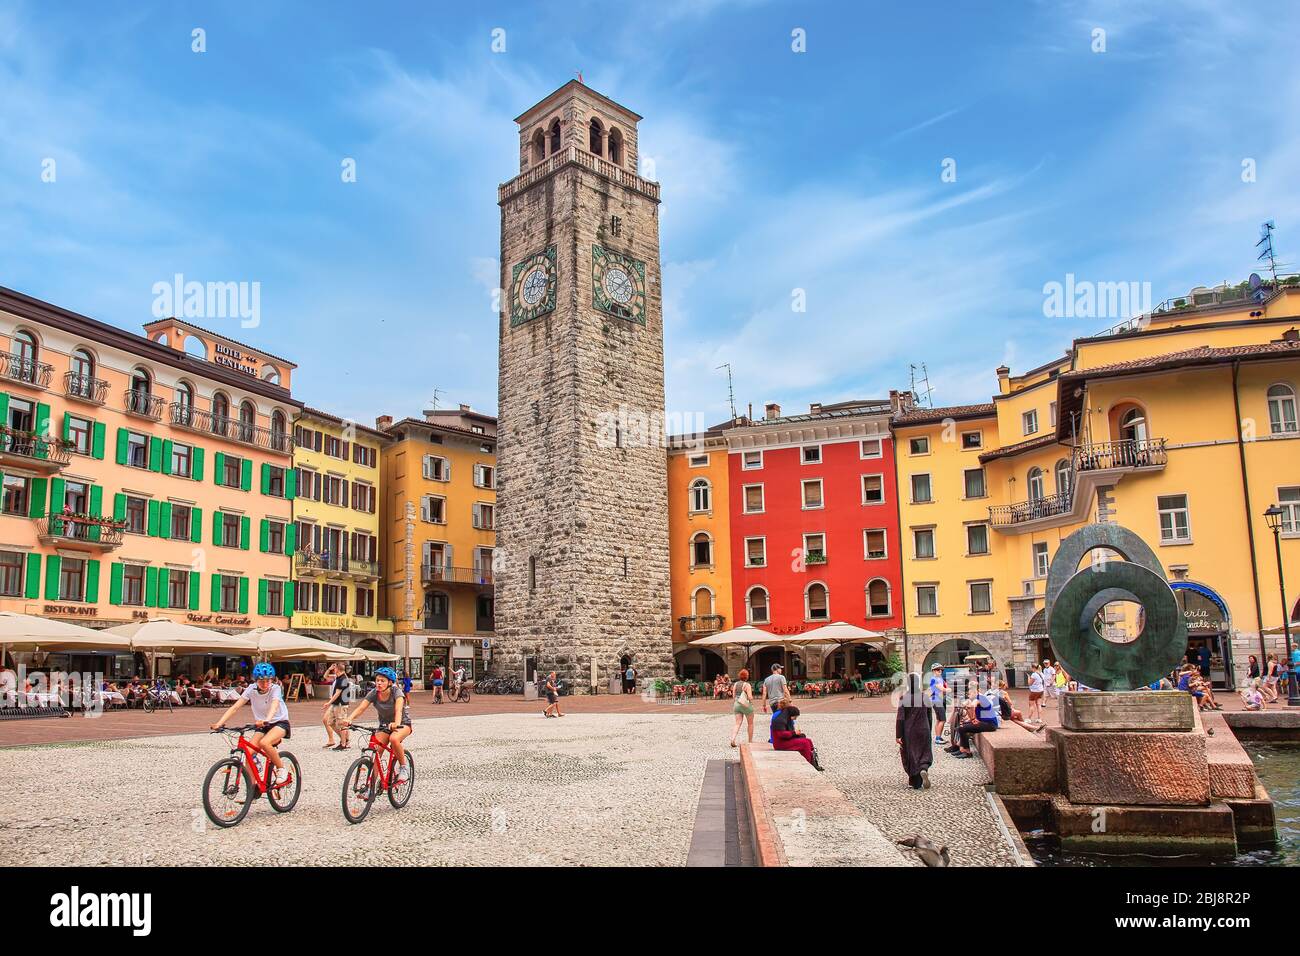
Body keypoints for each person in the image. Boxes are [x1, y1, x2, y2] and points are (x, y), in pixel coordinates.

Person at [210, 662, 292, 787]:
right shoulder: (251, 689)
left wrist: (267, 719)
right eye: (261, 681)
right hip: (262, 725)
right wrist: (219, 723)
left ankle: (281, 769)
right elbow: (235, 707)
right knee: (249, 754)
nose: (265, 684)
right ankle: (252, 789)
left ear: (272, 680)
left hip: (279, 722)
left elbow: (275, 705)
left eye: (267, 681)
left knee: (265, 743)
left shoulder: (275, 689)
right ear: (255, 681)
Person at [341, 667, 412, 783]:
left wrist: (396, 723)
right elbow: (361, 708)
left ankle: (404, 767)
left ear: (390, 682)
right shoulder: (374, 693)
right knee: (376, 752)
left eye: (382, 681)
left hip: (402, 724)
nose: (379, 683)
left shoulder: (396, 692)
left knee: (394, 739)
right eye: (377, 680)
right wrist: (349, 719)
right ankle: (371, 786)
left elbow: (398, 710)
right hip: (384, 725)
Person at [896, 673, 933, 789]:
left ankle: (915, 782)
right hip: (924, 728)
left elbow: (900, 718)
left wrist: (898, 735)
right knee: (924, 752)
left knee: (911, 754)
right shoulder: (925, 697)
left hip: (910, 731)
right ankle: (923, 768)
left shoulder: (904, 698)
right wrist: (929, 729)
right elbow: (930, 716)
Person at [948, 682, 1000, 758]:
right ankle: (961, 748)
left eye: (971, 693)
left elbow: (972, 706)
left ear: (976, 692)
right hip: (984, 722)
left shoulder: (980, 698)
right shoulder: (974, 699)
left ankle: (967, 752)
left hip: (990, 724)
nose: (970, 694)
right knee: (962, 726)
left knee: (962, 728)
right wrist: (966, 709)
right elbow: (967, 707)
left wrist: (972, 719)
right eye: (969, 693)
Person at [771, 704, 823, 771]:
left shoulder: (784, 718)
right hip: (780, 744)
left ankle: (813, 761)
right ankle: (809, 763)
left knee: (808, 740)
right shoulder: (779, 721)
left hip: (785, 741)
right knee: (804, 743)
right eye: (795, 717)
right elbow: (782, 734)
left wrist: (798, 734)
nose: (795, 718)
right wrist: (794, 733)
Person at [322, 664, 353, 751]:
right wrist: (329, 669)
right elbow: (325, 677)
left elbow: (337, 693)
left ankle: (343, 744)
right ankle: (345, 740)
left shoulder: (343, 679)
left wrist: (328, 703)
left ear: (337, 669)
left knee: (341, 724)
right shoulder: (338, 677)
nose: (333, 670)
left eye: (334, 668)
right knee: (330, 722)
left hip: (340, 704)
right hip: (335, 703)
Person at [729, 669, 755, 747]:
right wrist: (751, 700)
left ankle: (733, 738)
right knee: (750, 723)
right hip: (745, 705)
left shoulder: (735, 684)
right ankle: (750, 741)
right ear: (747, 677)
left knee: (737, 723)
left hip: (737, 704)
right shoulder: (747, 685)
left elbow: (733, 696)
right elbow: (750, 697)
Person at [927, 663, 948, 744]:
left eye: (941, 669)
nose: (940, 671)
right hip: (937, 701)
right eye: (937, 669)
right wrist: (949, 689)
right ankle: (938, 739)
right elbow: (942, 689)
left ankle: (938, 736)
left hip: (941, 700)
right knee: (942, 719)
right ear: (933, 671)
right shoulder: (934, 679)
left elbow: (946, 686)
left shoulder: (940, 678)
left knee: (939, 719)